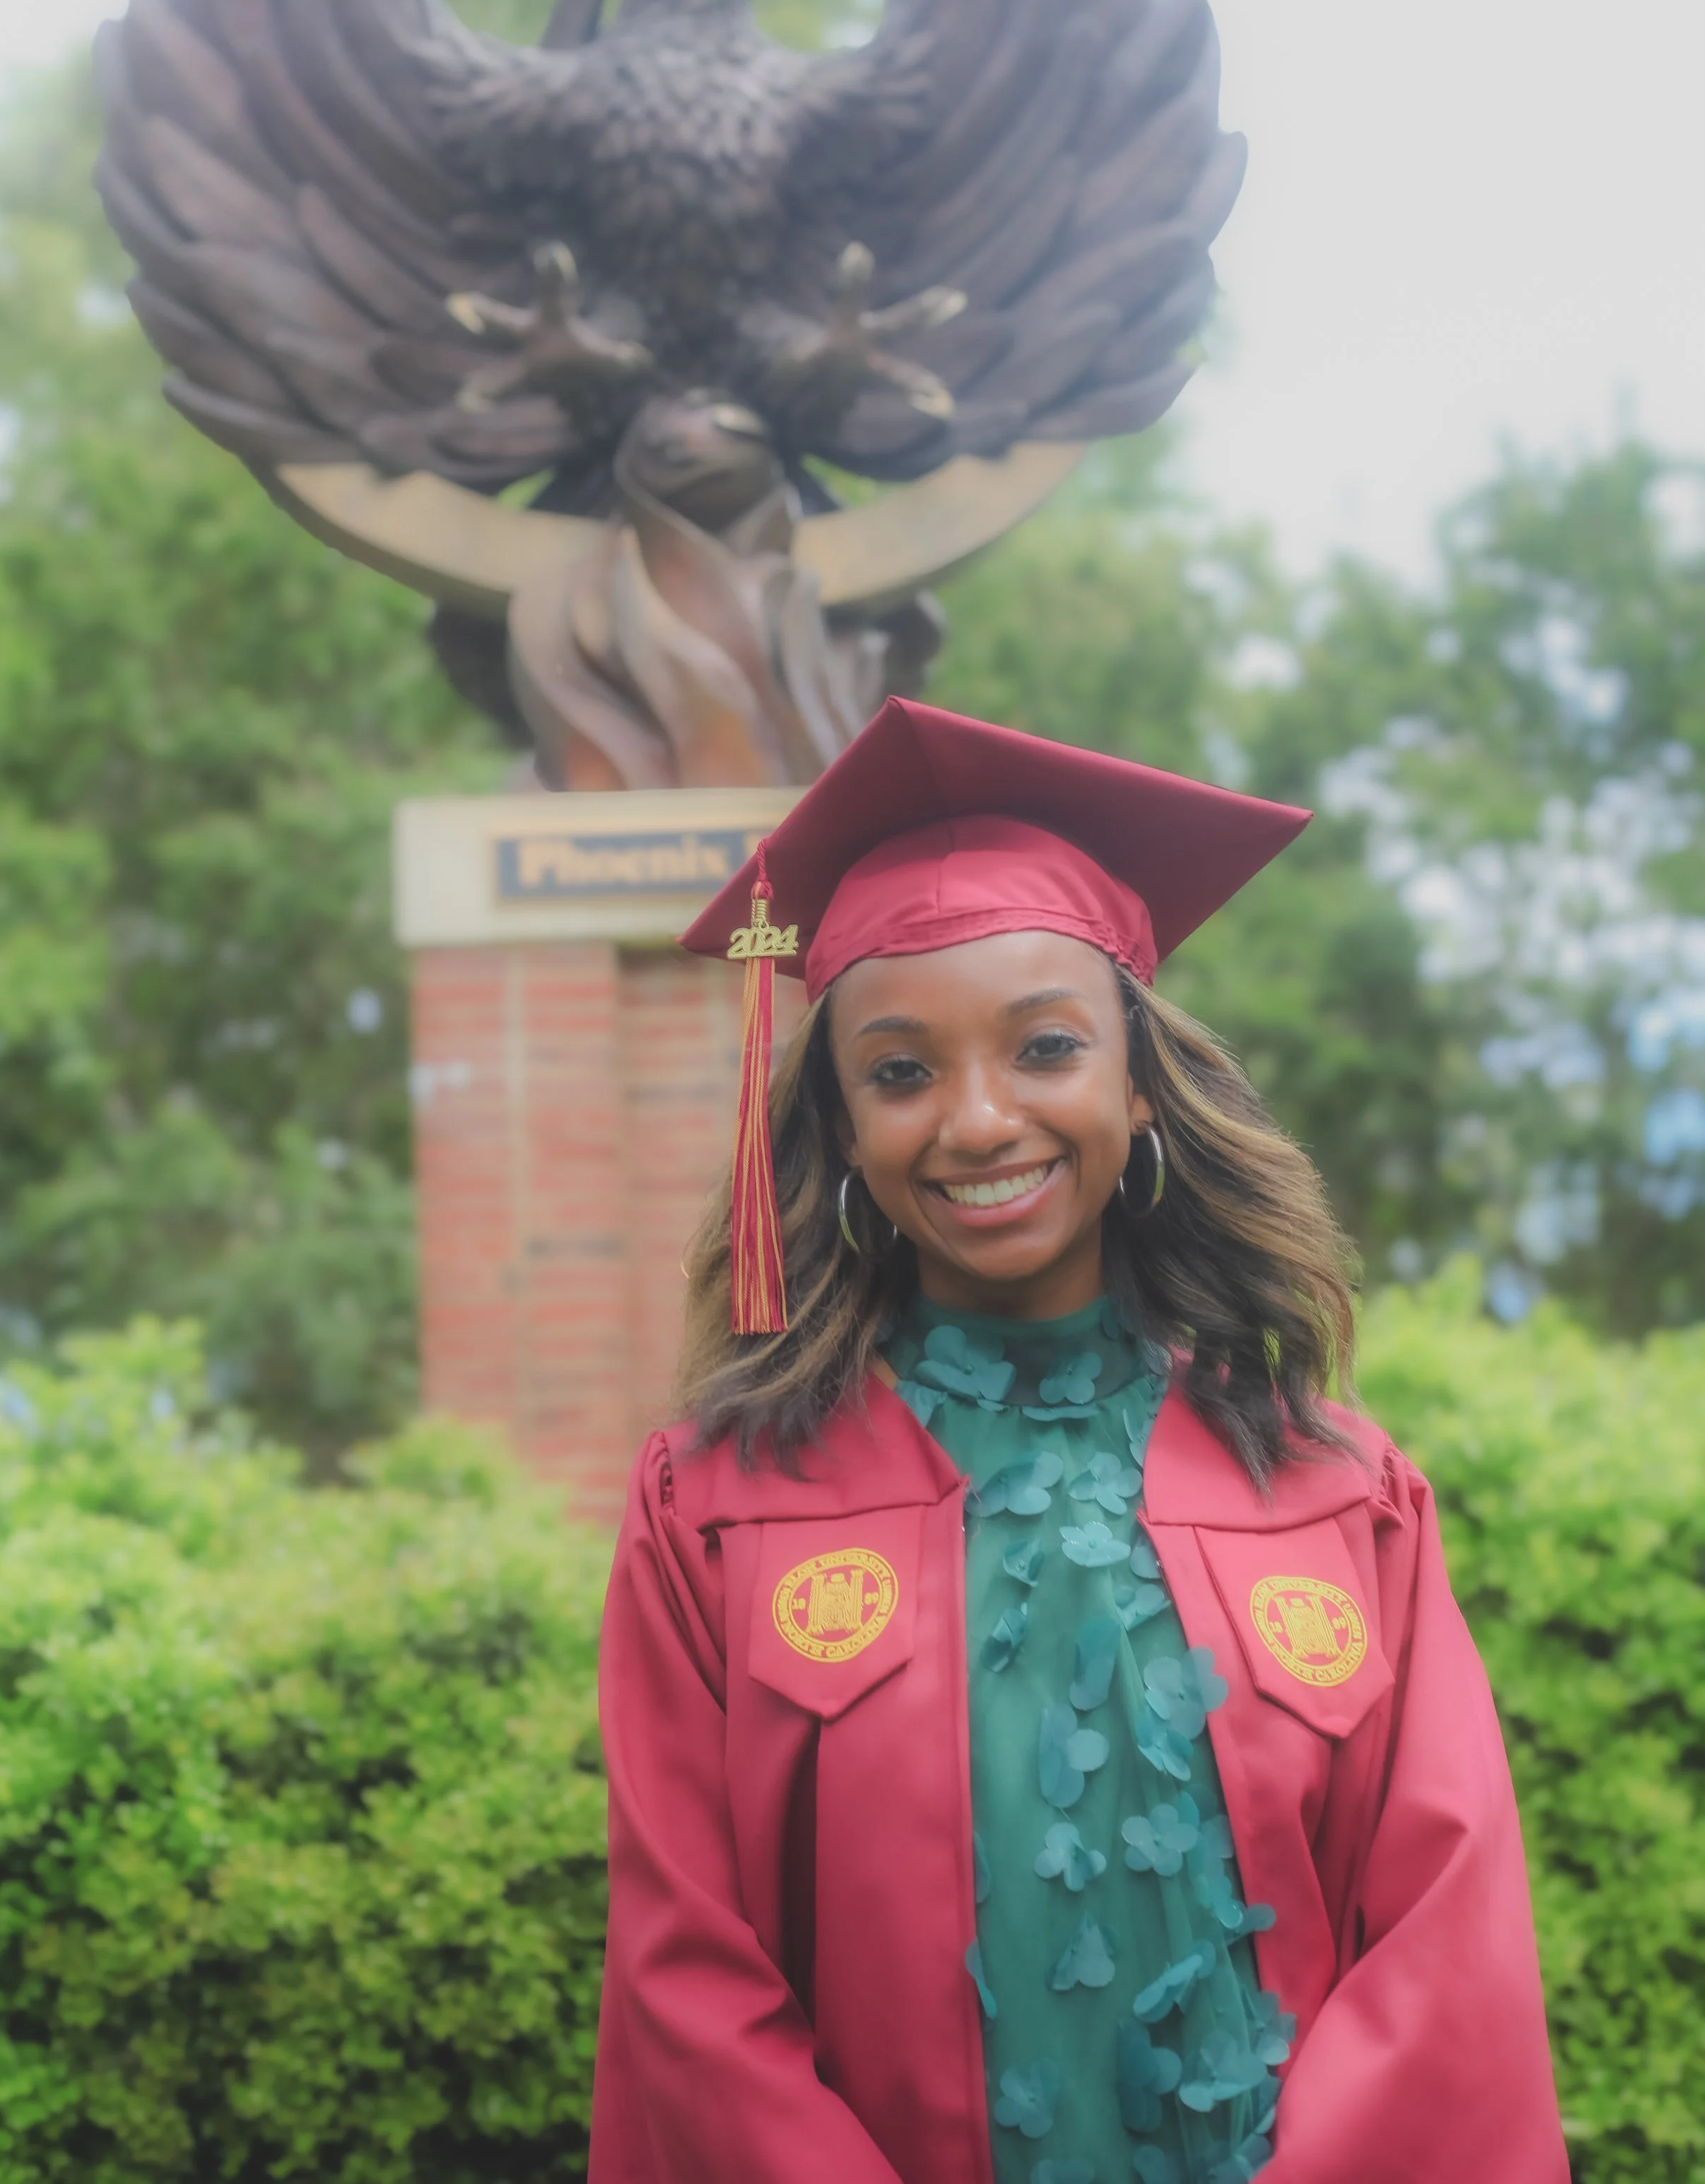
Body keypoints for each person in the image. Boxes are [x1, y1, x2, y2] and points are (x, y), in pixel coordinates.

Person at [589, 698, 1567, 2184]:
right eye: (900, 1072)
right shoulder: (718, 1509)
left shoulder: (1329, 1491)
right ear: (841, 1130)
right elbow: (685, 1975)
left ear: (1134, 1082)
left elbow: (1444, 1940)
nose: (977, 1121)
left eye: (1043, 1047)